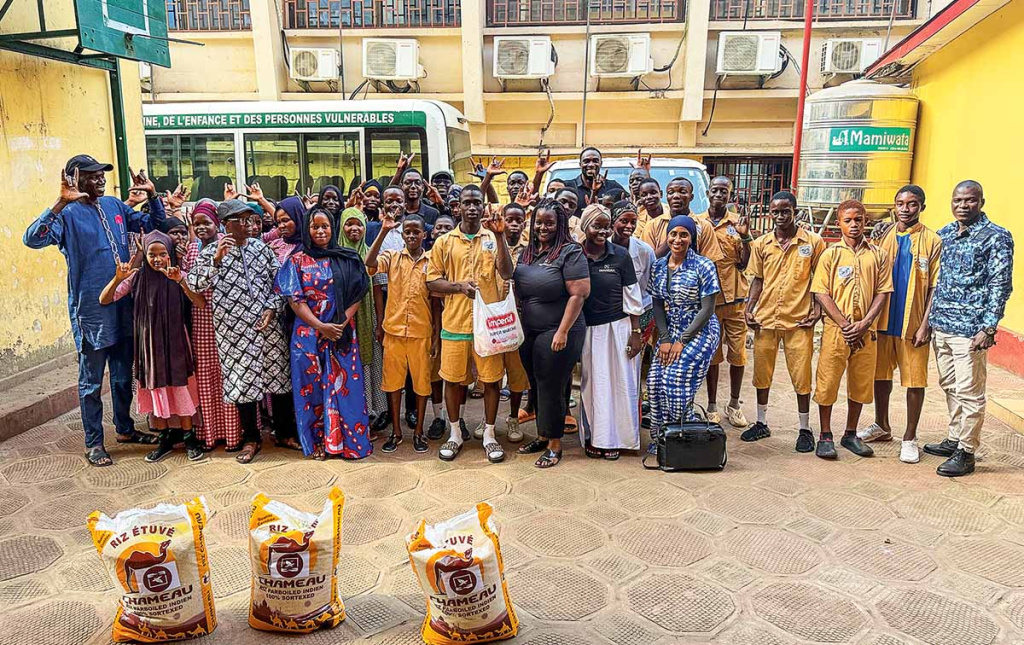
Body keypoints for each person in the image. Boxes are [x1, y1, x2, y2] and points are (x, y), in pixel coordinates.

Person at [24, 156, 166, 467]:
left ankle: (125, 429)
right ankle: (94, 442)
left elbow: (152, 224)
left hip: (122, 306)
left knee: (120, 377)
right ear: (74, 179)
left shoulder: (114, 206)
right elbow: (32, 239)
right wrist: (59, 203)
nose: (99, 180)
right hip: (91, 311)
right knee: (91, 382)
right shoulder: (68, 214)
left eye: (101, 174)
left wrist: (153, 196)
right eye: (91, 175)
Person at [187, 199, 296, 464]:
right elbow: (195, 284)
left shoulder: (262, 248)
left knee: (279, 379)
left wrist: (272, 308)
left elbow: (279, 284)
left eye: (250, 219)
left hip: (267, 328)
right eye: (242, 220)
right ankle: (252, 438)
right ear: (226, 224)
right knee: (243, 384)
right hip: (234, 333)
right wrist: (216, 259)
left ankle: (283, 432)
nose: (249, 224)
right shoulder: (210, 252)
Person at [925, 180, 1013, 477]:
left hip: (971, 332)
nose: (963, 205)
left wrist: (988, 328)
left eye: (970, 200)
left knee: (970, 392)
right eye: (958, 200)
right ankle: (954, 437)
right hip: (943, 325)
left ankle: (967, 451)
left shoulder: (997, 237)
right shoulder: (946, 234)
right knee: (950, 386)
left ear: (981, 202)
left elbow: (1000, 285)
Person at [99, 231, 206, 462]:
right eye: (152, 254)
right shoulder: (136, 278)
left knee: (180, 386)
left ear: (170, 255)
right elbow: (104, 299)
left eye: (163, 254)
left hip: (176, 342)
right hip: (149, 345)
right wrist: (118, 278)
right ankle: (166, 437)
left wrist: (181, 282)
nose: (157, 259)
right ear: (145, 255)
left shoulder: (178, 275)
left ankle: (189, 437)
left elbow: (199, 302)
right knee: (158, 388)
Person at [426, 185, 514, 463]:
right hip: (455, 323)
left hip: (489, 324)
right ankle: (454, 434)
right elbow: (431, 281)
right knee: (452, 380)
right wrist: (458, 287)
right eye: (467, 203)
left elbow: (507, 272)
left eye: (478, 202)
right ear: (458, 207)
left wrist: (500, 237)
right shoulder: (445, 242)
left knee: (491, 381)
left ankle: (489, 435)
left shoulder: (492, 236)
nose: (473, 207)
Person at [275, 207, 372, 460]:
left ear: (332, 228)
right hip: (308, 335)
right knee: (312, 391)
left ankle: (350, 443)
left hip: (341, 333)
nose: (320, 231)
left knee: (346, 389)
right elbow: (295, 301)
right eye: (314, 226)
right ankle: (318, 442)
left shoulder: (348, 258)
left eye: (325, 226)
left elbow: (358, 293)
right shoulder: (295, 261)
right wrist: (321, 326)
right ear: (307, 229)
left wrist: (339, 324)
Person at [857, 185, 942, 464]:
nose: (905, 209)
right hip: (883, 321)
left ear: (922, 207)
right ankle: (882, 425)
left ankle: (909, 437)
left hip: (912, 324)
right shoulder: (884, 236)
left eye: (912, 204)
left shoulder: (932, 240)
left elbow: (934, 287)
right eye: (900, 203)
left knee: (914, 380)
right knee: (881, 377)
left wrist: (925, 324)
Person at [811, 200, 893, 460]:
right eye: (848, 220)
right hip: (838, 331)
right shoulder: (830, 254)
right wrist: (846, 325)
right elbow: (821, 293)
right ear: (839, 223)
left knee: (860, 384)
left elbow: (883, 292)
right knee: (827, 382)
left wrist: (865, 323)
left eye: (858, 219)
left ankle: (850, 433)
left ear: (865, 220)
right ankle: (825, 435)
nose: (854, 224)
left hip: (866, 332)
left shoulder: (878, 255)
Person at [743, 191, 824, 450]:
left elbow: (821, 280)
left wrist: (817, 310)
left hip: (799, 320)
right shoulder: (762, 244)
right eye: (775, 211)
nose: (780, 216)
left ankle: (804, 427)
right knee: (761, 373)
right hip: (765, 319)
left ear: (795, 211)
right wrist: (749, 307)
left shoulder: (813, 242)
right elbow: (758, 279)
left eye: (785, 211)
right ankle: (761, 422)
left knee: (801, 376)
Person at [514, 199, 591, 468]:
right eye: (539, 222)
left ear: (559, 225)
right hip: (530, 330)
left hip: (559, 329)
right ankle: (542, 435)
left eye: (550, 222)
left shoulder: (571, 252)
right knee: (536, 385)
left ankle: (555, 444)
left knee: (552, 385)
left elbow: (579, 295)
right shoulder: (528, 252)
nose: (543, 227)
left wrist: (562, 331)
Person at [365, 213, 436, 454]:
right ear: (402, 234)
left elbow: (436, 302)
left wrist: (435, 335)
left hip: (421, 332)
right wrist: (384, 231)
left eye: (417, 231)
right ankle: (396, 432)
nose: (412, 235)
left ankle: (418, 433)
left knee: (422, 385)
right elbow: (369, 262)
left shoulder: (432, 261)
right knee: (393, 385)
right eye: (408, 231)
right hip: (394, 332)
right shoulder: (392, 258)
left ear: (424, 235)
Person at [646, 216, 720, 441]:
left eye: (684, 234)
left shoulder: (703, 265)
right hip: (671, 328)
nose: (678, 239)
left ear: (692, 238)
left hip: (701, 329)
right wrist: (666, 339)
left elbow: (707, 309)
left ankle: (684, 437)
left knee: (675, 378)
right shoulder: (658, 266)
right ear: (667, 236)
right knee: (655, 381)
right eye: (673, 234)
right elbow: (657, 304)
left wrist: (682, 341)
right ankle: (662, 440)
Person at [579, 205, 644, 459]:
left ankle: (621, 439)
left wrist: (636, 332)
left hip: (619, 328)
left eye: (606, 226)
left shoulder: (619, 255)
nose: (603, 231)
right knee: (593, 385)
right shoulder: (575, 254)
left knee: (621, 384)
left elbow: (632, 295)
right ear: (585, 227)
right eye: (597, 226)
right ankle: (597, 438)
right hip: (587, 330)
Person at [181, 199, 244, 451]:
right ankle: (211, 432)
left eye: (206, 222)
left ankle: (233, 433)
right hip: (202, 320)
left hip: (229, 319)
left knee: (230, 376)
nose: (201, 228)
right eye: (196, 224)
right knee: (208, 375)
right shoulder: (193, 251)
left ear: (218, 224)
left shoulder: (228, 246)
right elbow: (188, 282)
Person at [696, 176, 752, 428]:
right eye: (715, 190)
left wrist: (745, 237)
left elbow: (743, 263)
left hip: (736, 299)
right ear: (708, 192)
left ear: (731, 196)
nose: (719, 195)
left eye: (724, 191)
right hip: (710, 301)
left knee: (738, 354)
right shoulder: (698, 222)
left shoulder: (736, 223)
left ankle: (734, 403)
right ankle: (711, 404)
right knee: (713, 356)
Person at [337, 208, 388, 433]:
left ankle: (373, 411)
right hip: (343, 320)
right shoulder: (335, 255)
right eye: (349, 224)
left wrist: (379, 322)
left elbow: (378, 291)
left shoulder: (371, 253)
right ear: (341, 227)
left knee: (371, 364)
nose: (354, 229)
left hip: (368, 318)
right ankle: (350, 412)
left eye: (359, 224)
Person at [426, 214, 456, 440]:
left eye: (448, 227)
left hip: (460, 323)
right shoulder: (429, 259)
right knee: (436, 375)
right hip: (434, 325)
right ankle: (439, 416)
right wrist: (436, 335)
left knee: (458, 378)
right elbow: (435, 302)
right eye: (439, 227)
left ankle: (460, 418)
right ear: (432, 232)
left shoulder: (458, 255)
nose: (443, 230)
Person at [639, 177, 720, 261]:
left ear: (691, 197)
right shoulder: (652, 225)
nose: (676, 196)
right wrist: (671, 240)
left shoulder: (704, 226)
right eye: (671, 192)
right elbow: (647, 261)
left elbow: (710, 262)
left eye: (682, 192)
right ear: (666, 197)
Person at [267, 196, 306, 262]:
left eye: (285, 220)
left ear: (298, 218)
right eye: (278, 222)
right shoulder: (276, 245)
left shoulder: (312, 247)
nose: (281, 226)